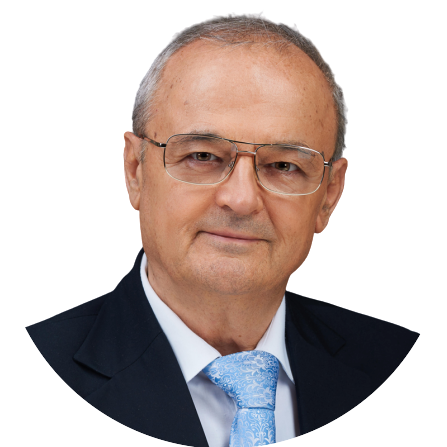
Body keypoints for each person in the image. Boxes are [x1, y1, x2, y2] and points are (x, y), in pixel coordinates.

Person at [25, 12, 420, 446]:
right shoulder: (48, 359)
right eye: (202, 156)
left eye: (283, 165)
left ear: (329, 195)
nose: (241, 199)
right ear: (135, 170)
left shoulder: (392, 358)